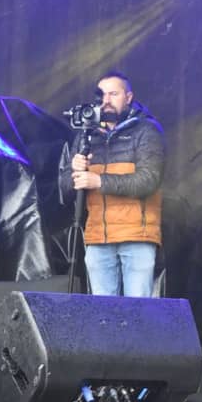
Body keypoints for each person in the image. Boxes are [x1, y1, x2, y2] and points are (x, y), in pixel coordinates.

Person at [59, 71, 165, 297]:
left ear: (128, 97)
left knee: (137, 310)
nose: (106, 100)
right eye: (102, 95)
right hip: (97, 238)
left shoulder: (146, 130)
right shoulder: (87, 135)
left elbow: (148, 181)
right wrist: (76, 172)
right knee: (102, 312)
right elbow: (64, 190)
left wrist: (97, 180)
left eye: (113, 94)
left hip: (137, 236)